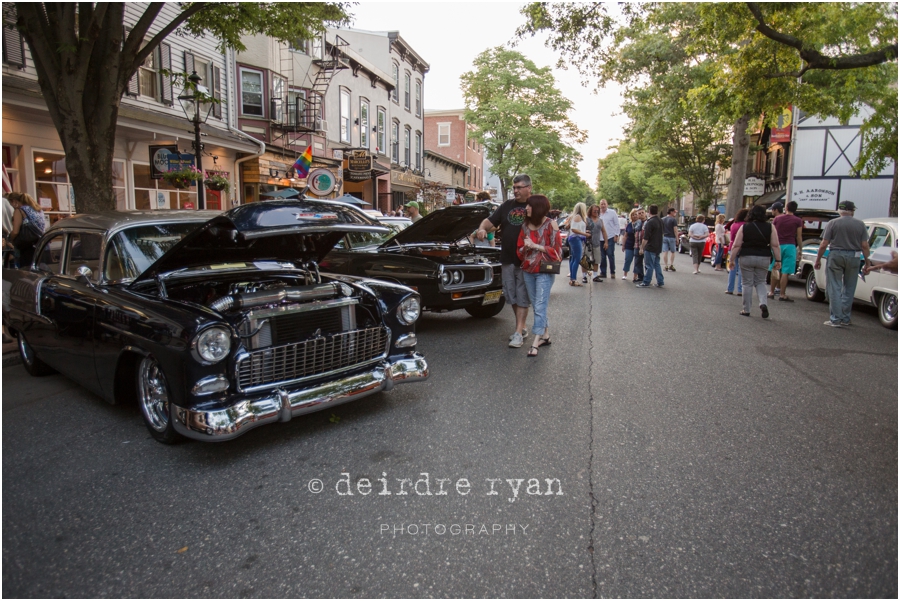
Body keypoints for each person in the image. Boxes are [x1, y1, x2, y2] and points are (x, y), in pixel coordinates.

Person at [476, 174, 532, 347]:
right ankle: (521, 326)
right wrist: (481, 228)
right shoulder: (507, 206)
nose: (515, 191)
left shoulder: (534, 205)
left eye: (519, 187)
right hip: (507, 258)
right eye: (514, 188)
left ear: (528, 188)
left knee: (522, 295)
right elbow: (490, 220)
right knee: (511, 295)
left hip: (527, 260)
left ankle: (517, 333)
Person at [814, 200, 872, 327]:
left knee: (834, 286)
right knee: (850, 287)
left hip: (836, 254)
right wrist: (867, 262)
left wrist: (818, 259)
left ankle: (835, 319)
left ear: (839, 210)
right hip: (854, 256)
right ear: (852, 211)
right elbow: (864, 245)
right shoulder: (860, 224)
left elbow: (824, 243)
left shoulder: (832, 223)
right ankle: (845, 318)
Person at [516, 194, 561, 357]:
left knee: (540, 305)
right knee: (536, 305)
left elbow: (557, 252)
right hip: (528, 270)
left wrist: (536, 246)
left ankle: (535, 342)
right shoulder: (525, 226)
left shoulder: (551, 225)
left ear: (538, 207)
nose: (526, 208)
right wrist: (526, 248)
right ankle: (546, 336)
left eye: (529, 206)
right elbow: (520, 250)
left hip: (545, 271)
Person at [729, 205, 782, 318]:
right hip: (764, 257)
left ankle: (746, 309)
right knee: (761, 282)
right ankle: (763, 303)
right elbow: (775, 245)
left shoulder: (744, 227)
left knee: (747, 283)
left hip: (746, 256)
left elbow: (736, 245)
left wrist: (732, 259)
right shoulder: (770, 227)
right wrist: (778, 260)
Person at [765, 201, 804, 301]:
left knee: (775, 268)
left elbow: (772, 232)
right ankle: (782, 294)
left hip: (778, 245)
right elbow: (799, 236)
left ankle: (771, 292)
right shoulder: (798, 220)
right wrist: (800, 249)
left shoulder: (777, 219)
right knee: (785, 271)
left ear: (786, 208)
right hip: (790, 245)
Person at [8, 192, 45, 268]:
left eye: (10, 203)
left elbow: (15, 231)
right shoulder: (38, 210)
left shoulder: (20, 211)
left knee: (27, 275)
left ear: (14, 201)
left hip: (27, 248)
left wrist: (9, 239)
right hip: (42, 245)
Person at [637, 205, 664, 287]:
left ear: (649, 211)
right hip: (658, 246)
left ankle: (646, 281)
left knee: (649, 265)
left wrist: (642, 247)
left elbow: (646, 237)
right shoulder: (661, 221)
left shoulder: (650, 222)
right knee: (657, 264)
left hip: (650, 246)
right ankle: (660, 281)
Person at [725, 208, 749, 296]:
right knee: (741, 270)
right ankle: (740, 289)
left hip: (732, 246)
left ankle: (730, 288)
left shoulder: (734, 224)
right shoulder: (746, 225)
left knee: (732, 269)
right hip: (743, 247)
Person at [566, 202, 589, 287]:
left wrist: (584, 232)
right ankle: (573, 279)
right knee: (576, 259)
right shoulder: (578, 217)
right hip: (576, 239)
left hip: (575, 239)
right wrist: (585, 234)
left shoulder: (576, 217)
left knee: (573, 259)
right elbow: (574, 229)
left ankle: (572, 278)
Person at [595, 199, 620, 279]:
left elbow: (617, 224)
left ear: (607, 204)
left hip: (610, 237)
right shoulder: (598, 214)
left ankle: (612, 272)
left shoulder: (612, 212)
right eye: (601, 204)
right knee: (602, 256)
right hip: (600, 238)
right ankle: (603, 272)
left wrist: (616, 235)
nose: (603, 205)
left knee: (610, 254)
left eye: (604, 204)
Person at [586, 204, 608, 283]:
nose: (596, 212)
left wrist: (606, 242)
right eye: (594, 210)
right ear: (590, 211)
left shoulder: (600, 220)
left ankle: (595, 276)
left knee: (597, 260)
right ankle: (585, 275)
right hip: (587, 243)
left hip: (597, 243)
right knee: (586, 259)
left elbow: (604, 231)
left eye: (597, 211)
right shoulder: (586, 219)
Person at [620, 209, 639, 281]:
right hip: (629, 244)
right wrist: (623, 245)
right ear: (631, 216)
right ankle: (625, 274)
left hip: (637, 245)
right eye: (633, 215)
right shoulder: (629, 225)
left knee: (637, 261)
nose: (635, 216)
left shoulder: (640, 224)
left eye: (636, 214)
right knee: (628, 259)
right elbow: (625, 235)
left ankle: (635, 275)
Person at [661, 207, 678, 271]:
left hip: (664, 237)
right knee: (673, 251)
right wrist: (677, 238)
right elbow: (675, 230)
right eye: (674, 212)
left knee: (665, 252)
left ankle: (666, 266)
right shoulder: (673, 220)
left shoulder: (662, 219)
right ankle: (671, 264)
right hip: (671, 237)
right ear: (671, 212)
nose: (675, 213)